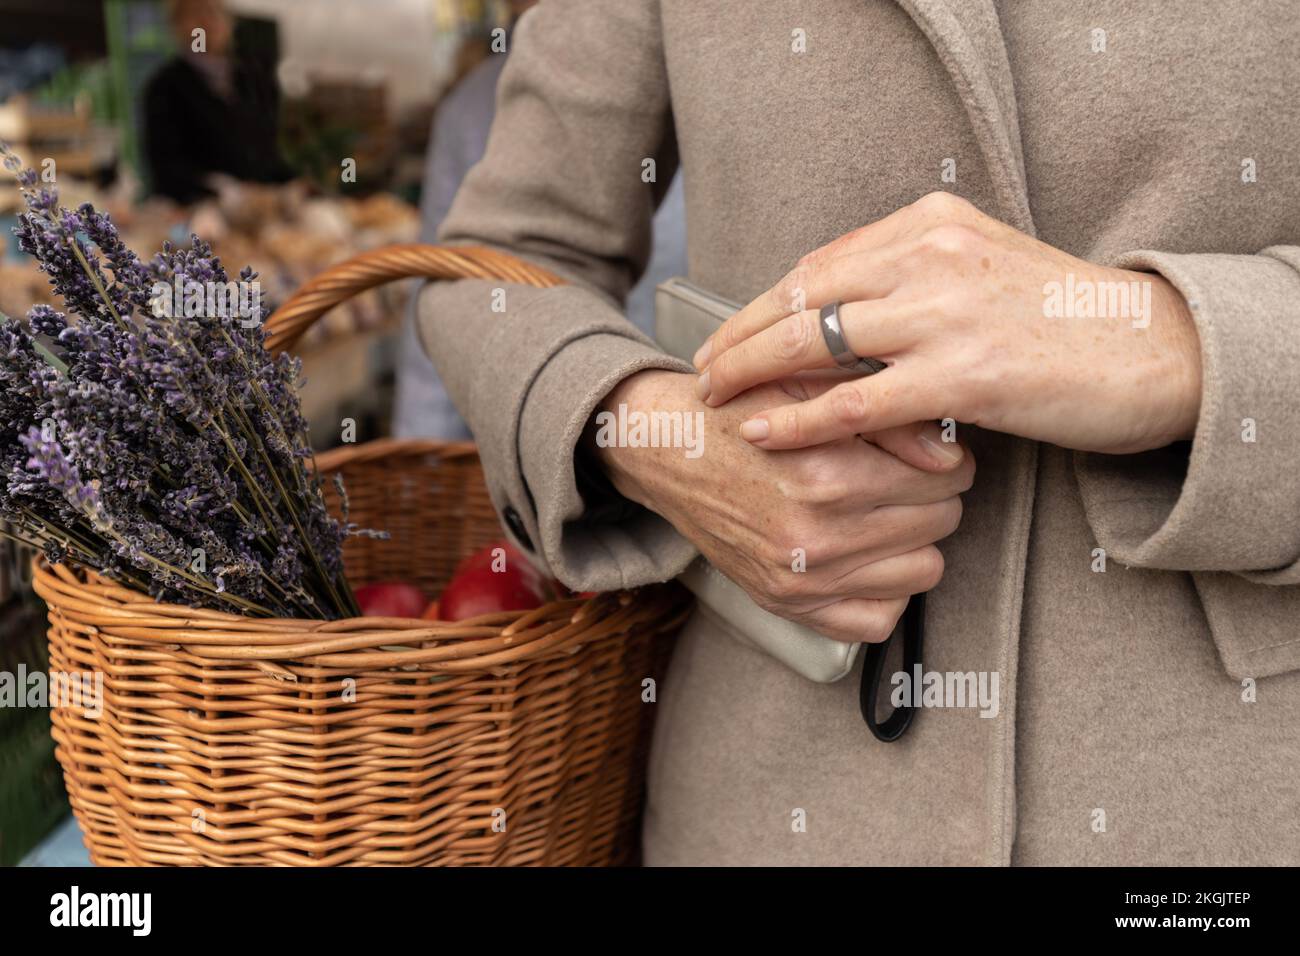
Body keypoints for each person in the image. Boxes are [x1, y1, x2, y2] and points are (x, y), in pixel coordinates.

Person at [415, 1, 1300, 865]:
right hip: (771, 789)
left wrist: (1175, 345)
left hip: (1232, 800)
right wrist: (653, 436)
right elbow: (503, 257)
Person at [394, 1, 685, 439]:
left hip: (700, 409)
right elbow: (451, 276)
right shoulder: (469, 110)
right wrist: (422, 462)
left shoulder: (683, 75)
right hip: (558, 443)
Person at [143, 0, 291, 204]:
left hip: (261, 212)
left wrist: (294, 183)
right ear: (177, 25)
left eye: (215, 13)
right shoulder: (163, 88)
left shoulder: (254, 80)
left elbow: (268, 155)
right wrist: (224, 190)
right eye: (195, 14)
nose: (207, 22)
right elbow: (167, 170)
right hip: (196, 216)